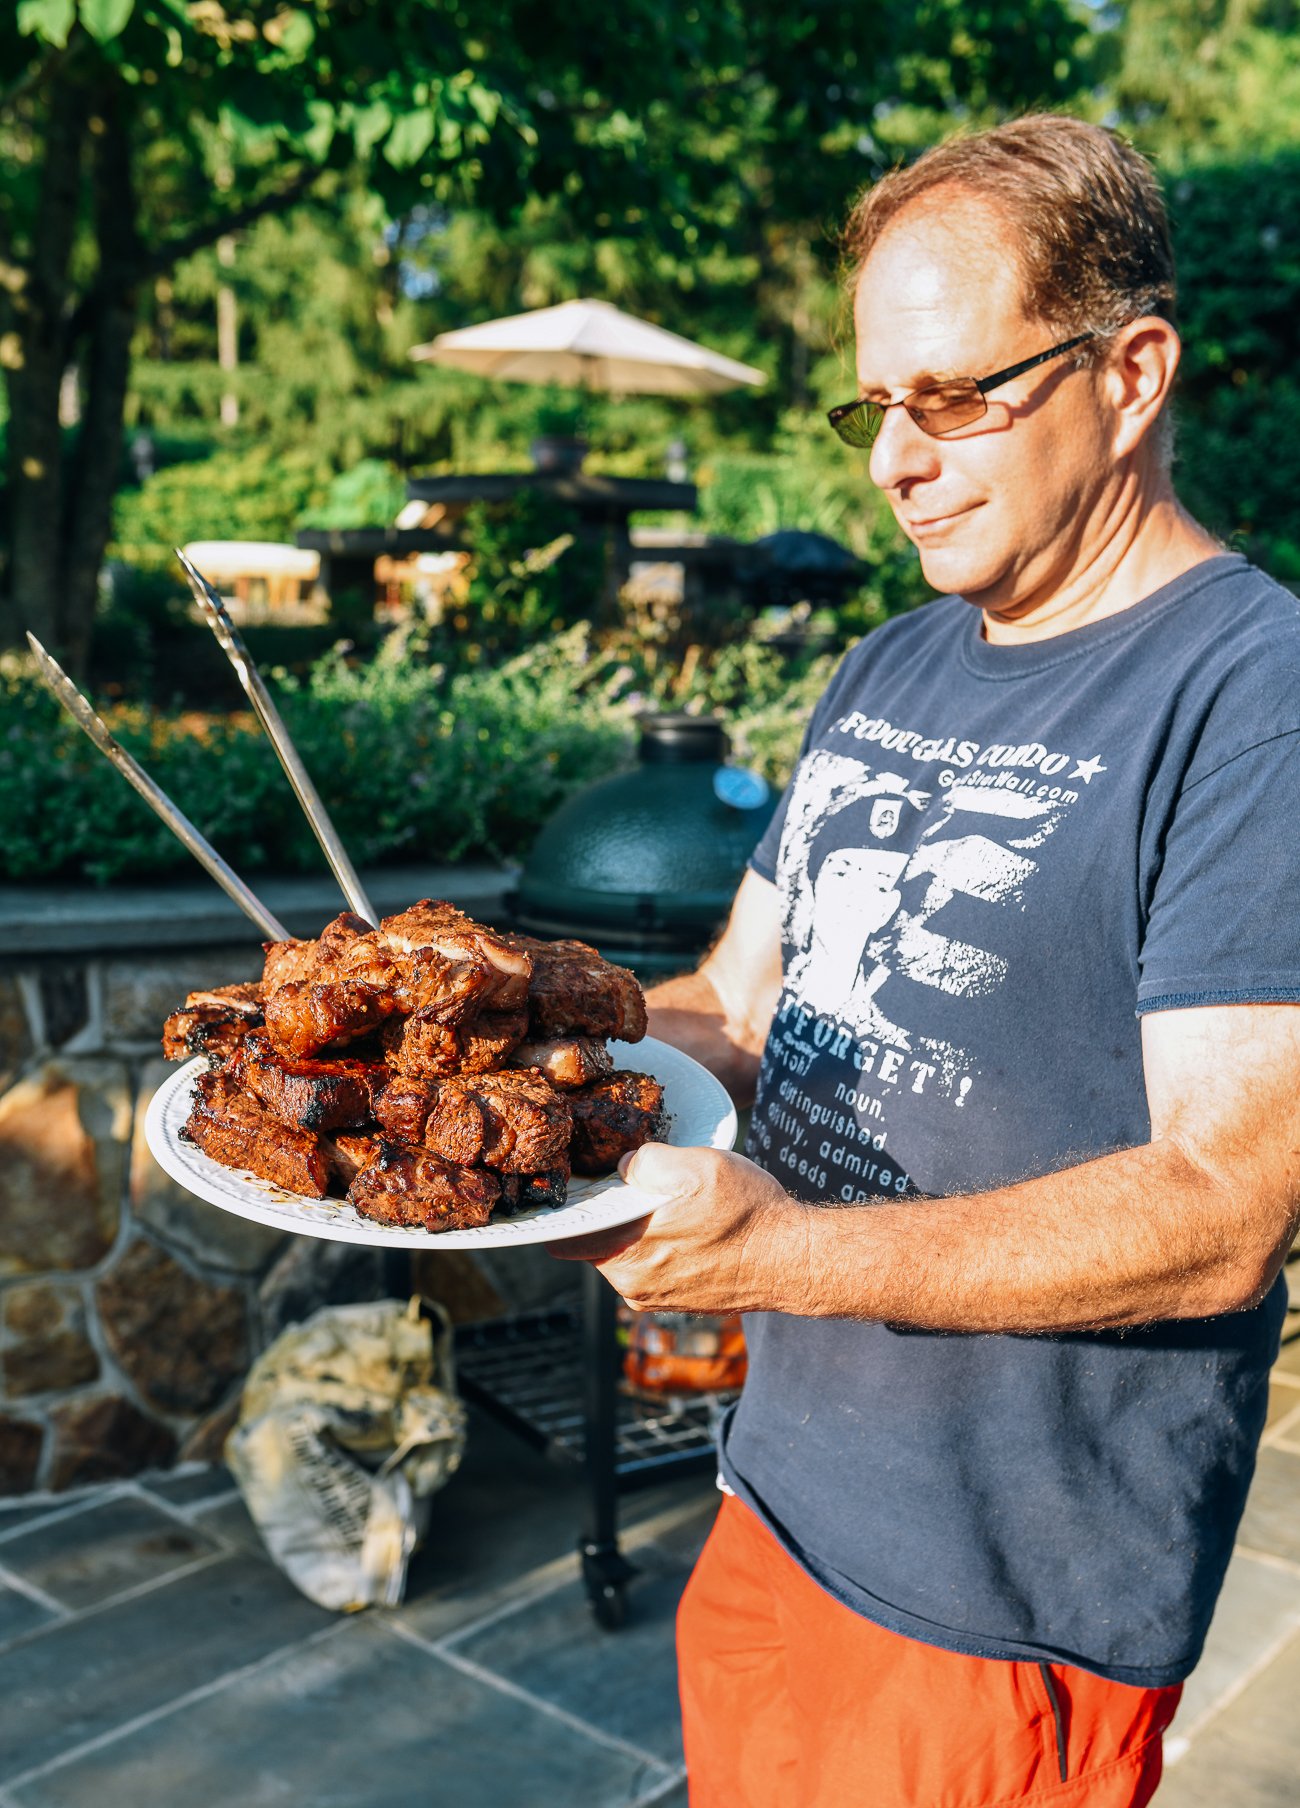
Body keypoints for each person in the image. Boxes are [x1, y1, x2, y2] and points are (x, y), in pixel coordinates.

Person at [552, 114, 1300, 1807]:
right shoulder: (889, 665)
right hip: (775, 1498)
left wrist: (785, 1254)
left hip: (1002, 1611)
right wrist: (502, 1050)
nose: (895, 458)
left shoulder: (1254, 695)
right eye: (876, 404)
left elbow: (1224, 1205)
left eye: (957, 395)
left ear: (1132, 374)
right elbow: (739, 1007)